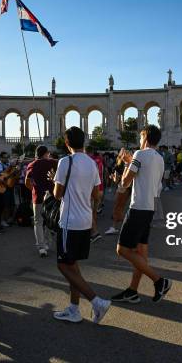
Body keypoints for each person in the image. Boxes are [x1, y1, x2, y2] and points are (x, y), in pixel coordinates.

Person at [50, 126, 111, 324]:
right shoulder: (92, 163)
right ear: (83, 141)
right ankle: (74, 309)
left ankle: (96, 301)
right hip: (85, 220)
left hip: (70, 221)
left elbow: (57, 195)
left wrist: (54, 182)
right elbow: (97, 195)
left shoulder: (64, 162)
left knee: (63, 265)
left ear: (67, 143)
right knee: (73, 265)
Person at [111, 125, 172, 304]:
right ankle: (132, 290)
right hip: (150, 208)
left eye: (140, 137)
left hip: (138, 207)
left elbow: (125, 181)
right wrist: (132, 162)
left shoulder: (140, 154)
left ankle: (160, 281)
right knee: (140, 253)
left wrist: (127, 162)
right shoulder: (160, 158)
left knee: (122, 249)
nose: (139, 140)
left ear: (145, 137)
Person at [24, 145, 57, 257]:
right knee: (49, 221)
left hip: (37, 196)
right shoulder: (52, 162)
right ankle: (47, 243)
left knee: (38, 221)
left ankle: (41, 247)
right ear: (46, 153)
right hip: (51, 196)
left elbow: (27, 182)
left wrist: (33, 189)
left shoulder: (31, 165)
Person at [85, 146, 105, 243]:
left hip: (92, 189)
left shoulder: (89, 162)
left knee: (89, 211)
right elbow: (104, 172)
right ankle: (93, 231)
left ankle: (94, 232)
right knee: (94, 211)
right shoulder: (99, 161)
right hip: (100, 187)